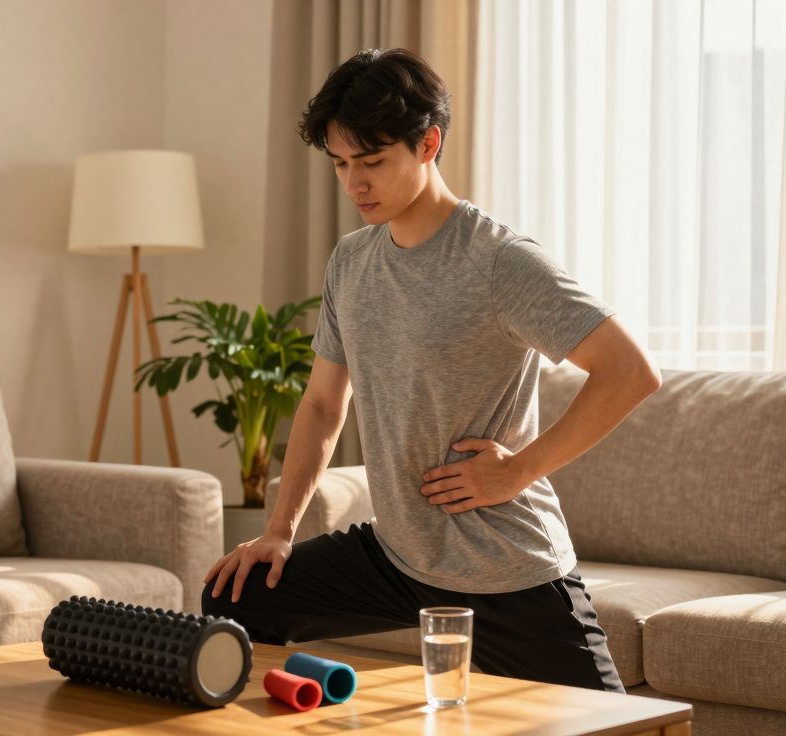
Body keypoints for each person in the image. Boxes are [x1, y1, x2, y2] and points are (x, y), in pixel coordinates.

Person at [200, 48, 661, 693]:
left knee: (617, 727)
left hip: (506, 567)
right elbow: (323, 405)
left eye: (373, 161)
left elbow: (630, 371)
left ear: (428, 144)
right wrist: (279, 532)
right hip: (396, 554)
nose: (354, 184)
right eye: (340, 164)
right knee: (238, 597)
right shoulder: (352, 262)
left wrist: (518, 471)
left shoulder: (500, 262)